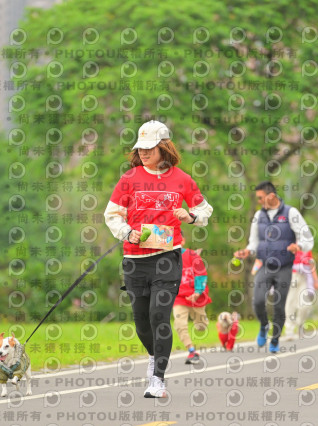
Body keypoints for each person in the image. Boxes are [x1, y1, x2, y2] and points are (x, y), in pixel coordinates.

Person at [104, 120, 213, 398]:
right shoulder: (129, 179)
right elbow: (112, 214)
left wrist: (190, 216)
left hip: (167, 259)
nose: (143, 153)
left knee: (159, 315)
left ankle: (158, 380)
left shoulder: (182, 179)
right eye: (140, 148)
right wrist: (127, 233)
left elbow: (204, 209)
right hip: (135, 259)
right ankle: (155, 357)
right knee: (142, 322)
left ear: (164, 147)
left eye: (149, 148)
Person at [234, 181, 314, 353]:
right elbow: (254, 242)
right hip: (265, 265)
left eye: (260, 198)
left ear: (271, 196)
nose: (259, 201)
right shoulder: (258, 216)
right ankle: (264, 325)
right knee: (258, 301)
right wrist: (247, 251)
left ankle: (275, 339)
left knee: (279, 306)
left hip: (285, 267)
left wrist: (299, 246)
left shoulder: (291, 213)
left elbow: (307, 238)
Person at [172, 233, 211, 365]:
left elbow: (201, 274)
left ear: (182, 241)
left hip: (196, 296)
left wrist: (198, 291)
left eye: (176, 239)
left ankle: (203, 320)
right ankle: (191, 350)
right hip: (179, 297)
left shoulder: (192, 256)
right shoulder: (165, 260)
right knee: (179, 323)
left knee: (201, 326)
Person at [284, 250, 318, 340]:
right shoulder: (288, 245)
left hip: (304, 277)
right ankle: (289, 330)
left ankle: (300, 324)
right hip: (291, 276)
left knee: (305, 305)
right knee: (290, 304)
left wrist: (316, 280)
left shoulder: (307, 248)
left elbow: (311, 264)